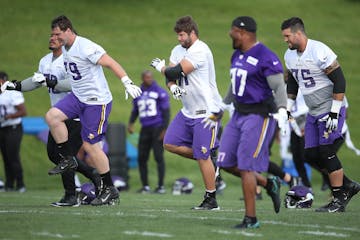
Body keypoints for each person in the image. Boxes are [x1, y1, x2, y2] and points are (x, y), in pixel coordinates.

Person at [45, 15, 142, 206]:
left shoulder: (85, 46)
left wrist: (126, 82)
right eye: (52, 34)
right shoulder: (65, 48)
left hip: (96, 101)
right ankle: (68, 159)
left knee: (90, 146)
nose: (55, 38)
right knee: (52, 116)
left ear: (68, 31)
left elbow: (110, 62)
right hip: (78, 97)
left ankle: (110, 189)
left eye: (58, 34)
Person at [7, 34, 101, 206]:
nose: (51, 38)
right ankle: (93, 174)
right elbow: (37, 81)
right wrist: (17, 86)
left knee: (65, 155)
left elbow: (75, 84)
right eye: (50, 35)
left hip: (76, 114)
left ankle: (71, 195)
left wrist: (53, 82)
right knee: (54, 154)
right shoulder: (45, 61)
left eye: (56, 36)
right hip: (57, 116)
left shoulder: (71, 59)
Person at [281, 17, 359, 212]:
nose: (285, 40)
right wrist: (288, 107)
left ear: (298, 33)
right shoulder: (290, 56)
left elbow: (339, 81)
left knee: (326, 151)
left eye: (287, 36)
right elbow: (292, 82)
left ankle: (338, 198)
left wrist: (334, 113)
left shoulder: (319, 51)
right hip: (313, 111)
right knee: (310, 154)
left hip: (331, 107)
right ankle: (348, 185)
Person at [217, 16, 287, 229]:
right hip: (238, 114)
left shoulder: (266, 56)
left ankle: (251, 219)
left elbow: (279, 87)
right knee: (225, 161)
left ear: (243, 33)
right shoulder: (236, 54)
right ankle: (268, 183)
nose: (230, 34)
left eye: (233, 31)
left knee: (247, 166)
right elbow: (234, 84)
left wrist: (283, 110)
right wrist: (221, 106)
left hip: (259, 116)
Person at [150, 16, 223, 210]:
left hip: (206, 111)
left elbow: (175, 71)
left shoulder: (201, 50)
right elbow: (171, 78)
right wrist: (172, 87)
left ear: (192, 33)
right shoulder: (177, 50)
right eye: (178, 35)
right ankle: (209, 159)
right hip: (188, 110)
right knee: (170, 143)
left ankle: (211, 199)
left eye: (182, 35)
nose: (179, 38)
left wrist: (162, 68)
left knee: (202, 155)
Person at [127, 70, 170, 194]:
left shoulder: (159, 91)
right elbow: (135, 110)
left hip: (157, 128)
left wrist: (164, 129)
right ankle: (145, 186)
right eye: (146, 77)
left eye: (150, 77)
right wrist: (131, 123)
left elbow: (166, 112)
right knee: (142, 158)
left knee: (158, 157)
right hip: (145, 128)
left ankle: (161, 186)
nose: (149, 79)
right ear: (142, 78)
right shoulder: (138, 92)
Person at [0, 71, 27, 192]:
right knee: (5, 156)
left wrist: (8, 117)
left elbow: (23, 111)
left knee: (12, 155)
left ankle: (20, 184)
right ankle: (9, 184)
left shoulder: (12, 92)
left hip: (13, 127)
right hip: (2, 128)